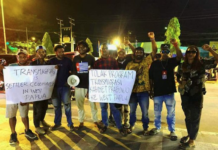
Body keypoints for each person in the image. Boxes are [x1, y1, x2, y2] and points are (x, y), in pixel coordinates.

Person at [177, 44, 218, 149]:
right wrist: (180, 83)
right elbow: (178, 76)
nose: (191, 54)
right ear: (186, 54)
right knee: (188, 117)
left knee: (195, 117)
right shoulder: (183, 65)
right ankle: (190, 134)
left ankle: (192, 141)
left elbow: (216, 60)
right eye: (189, 52)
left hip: (196, 94)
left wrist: (210, 50)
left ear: (196, 53)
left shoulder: (201, 63)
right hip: (185, 94)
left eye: (193, 52)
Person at [149, 38, 182, 140]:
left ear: (169, 52)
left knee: (171, 112)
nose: (165, 53)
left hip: (169, 92)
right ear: (160, 52)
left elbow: (180, 56)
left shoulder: (171, 62)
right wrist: (151, 90)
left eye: (167, 51)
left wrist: (176, 45)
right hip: (157, 92)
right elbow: (150, 78)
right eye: (163, 51)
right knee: (157, 112)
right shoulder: (155, 64)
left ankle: (172, 130)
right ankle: (157, 127)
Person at [125, 32, 157, 135]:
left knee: (145, 112)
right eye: (136, 52)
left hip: (143, 92)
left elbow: (154, 51)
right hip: (132, 92)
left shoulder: (146, 61)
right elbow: (124, 78)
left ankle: (145, 128)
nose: (138, 53)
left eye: (140, 52)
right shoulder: (129, 64)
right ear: (134, 54)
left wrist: (152, 39)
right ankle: (131, 125)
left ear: (143, 54)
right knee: (132, 111)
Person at [5, 49, 37, 144]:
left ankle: (27, 130)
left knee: (24, 115)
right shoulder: (11, 67)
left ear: (27, 57)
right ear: (17, 57)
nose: (22, 58)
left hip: (24, 94)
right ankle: (13, 133)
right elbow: (5, 74)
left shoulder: (30, 67)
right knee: (12, 115)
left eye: (24, 57)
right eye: (20, 57)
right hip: (12, 95)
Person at [93, 43, 125, 135]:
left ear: (108, 50)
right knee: (103, 108)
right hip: (102, 90)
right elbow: (94, 77)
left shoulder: (113, 61)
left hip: (112, 89)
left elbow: (117, 74)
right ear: (100, 50)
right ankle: (105, 125)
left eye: (106, 48)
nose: (104, 50)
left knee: (114, 108)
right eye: (103, 49)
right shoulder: (97, 62)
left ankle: (119, 126)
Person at [72, 41, 98, 129]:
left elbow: (95, 70)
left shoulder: (91, 58)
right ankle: (81, 121)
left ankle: (95, 120)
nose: (81, 48)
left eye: (83, 47)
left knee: (93, 105)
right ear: (77, 48)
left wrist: (92, 69)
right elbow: (73, 70)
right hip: (78, 85)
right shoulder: (75, 58)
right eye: (79, 47)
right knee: (80, 105)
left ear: (87, 48)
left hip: (90, 85)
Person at [48, 45, 74, 131]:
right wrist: (52, 69)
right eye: (59, 51)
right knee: (56, 107)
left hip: (65, 87)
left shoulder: (68, 61)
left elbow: (72, 72)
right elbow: (45, 72)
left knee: (67, 106)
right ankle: (57, 123)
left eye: (63, 51)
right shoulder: (51, 61)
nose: (61, 53)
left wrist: (69, 81)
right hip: (54, 88)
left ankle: (70, 124)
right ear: (56, 52)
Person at [115, 40, 135, 130]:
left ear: (125, 54)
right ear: (117, 54)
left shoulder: (129, 61)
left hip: (127, 87)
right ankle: (118, 121)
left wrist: (130, 44)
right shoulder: (114, 62)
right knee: (118, 107)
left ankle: (126, 122)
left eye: (123, 53)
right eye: (120, 53)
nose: (121, 54)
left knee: (126, 106)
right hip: (117, 87)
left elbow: (135, 52)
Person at [30, 46, 50, 135]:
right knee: (37, 108)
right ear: (36, 53)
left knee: (45, 107)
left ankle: (42, 120)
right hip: (36, 90)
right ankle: (37, 126)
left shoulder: (47, 64)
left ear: (45, 53)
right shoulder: (32, 64)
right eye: (39, 52)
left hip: (45, 89)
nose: (41, 54)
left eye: (43, 52)